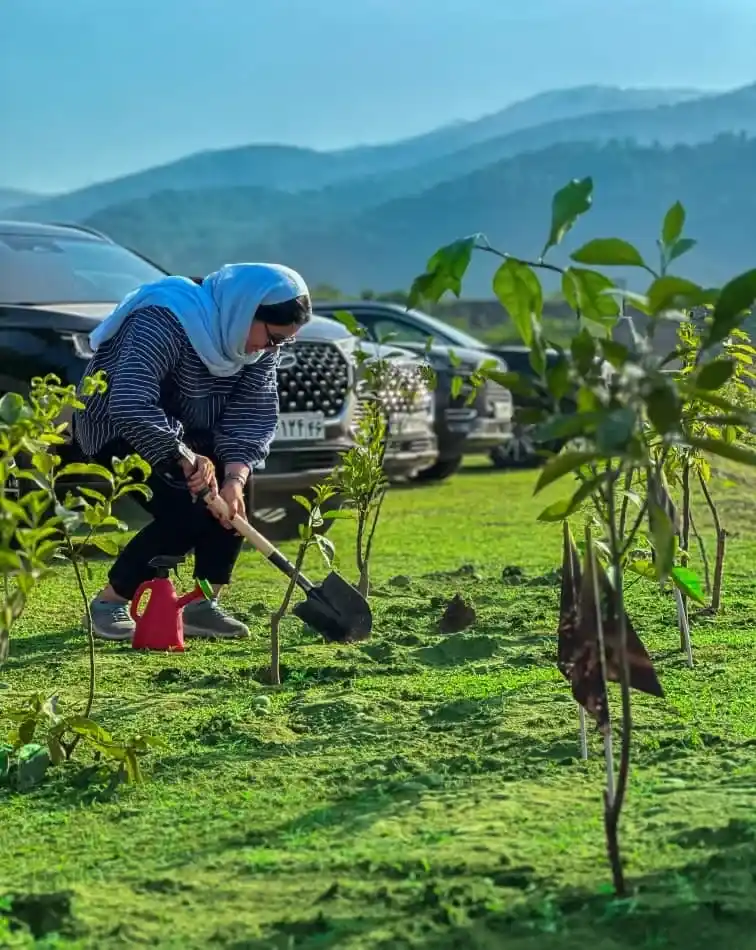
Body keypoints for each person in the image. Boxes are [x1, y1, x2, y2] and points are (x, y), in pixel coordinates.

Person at [72, 262, 312, 642]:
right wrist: (183, 456)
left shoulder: (258, 347)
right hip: (118, 426)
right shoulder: (164, 318)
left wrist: (234, 476)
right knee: (186, 508)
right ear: (248, 310)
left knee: (231, 503)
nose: (271, 349)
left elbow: (252, 412)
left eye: (282, 342)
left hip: (192, 430)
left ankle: (201, 603)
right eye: (272, 338)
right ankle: (110, 603)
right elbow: (130, 402)